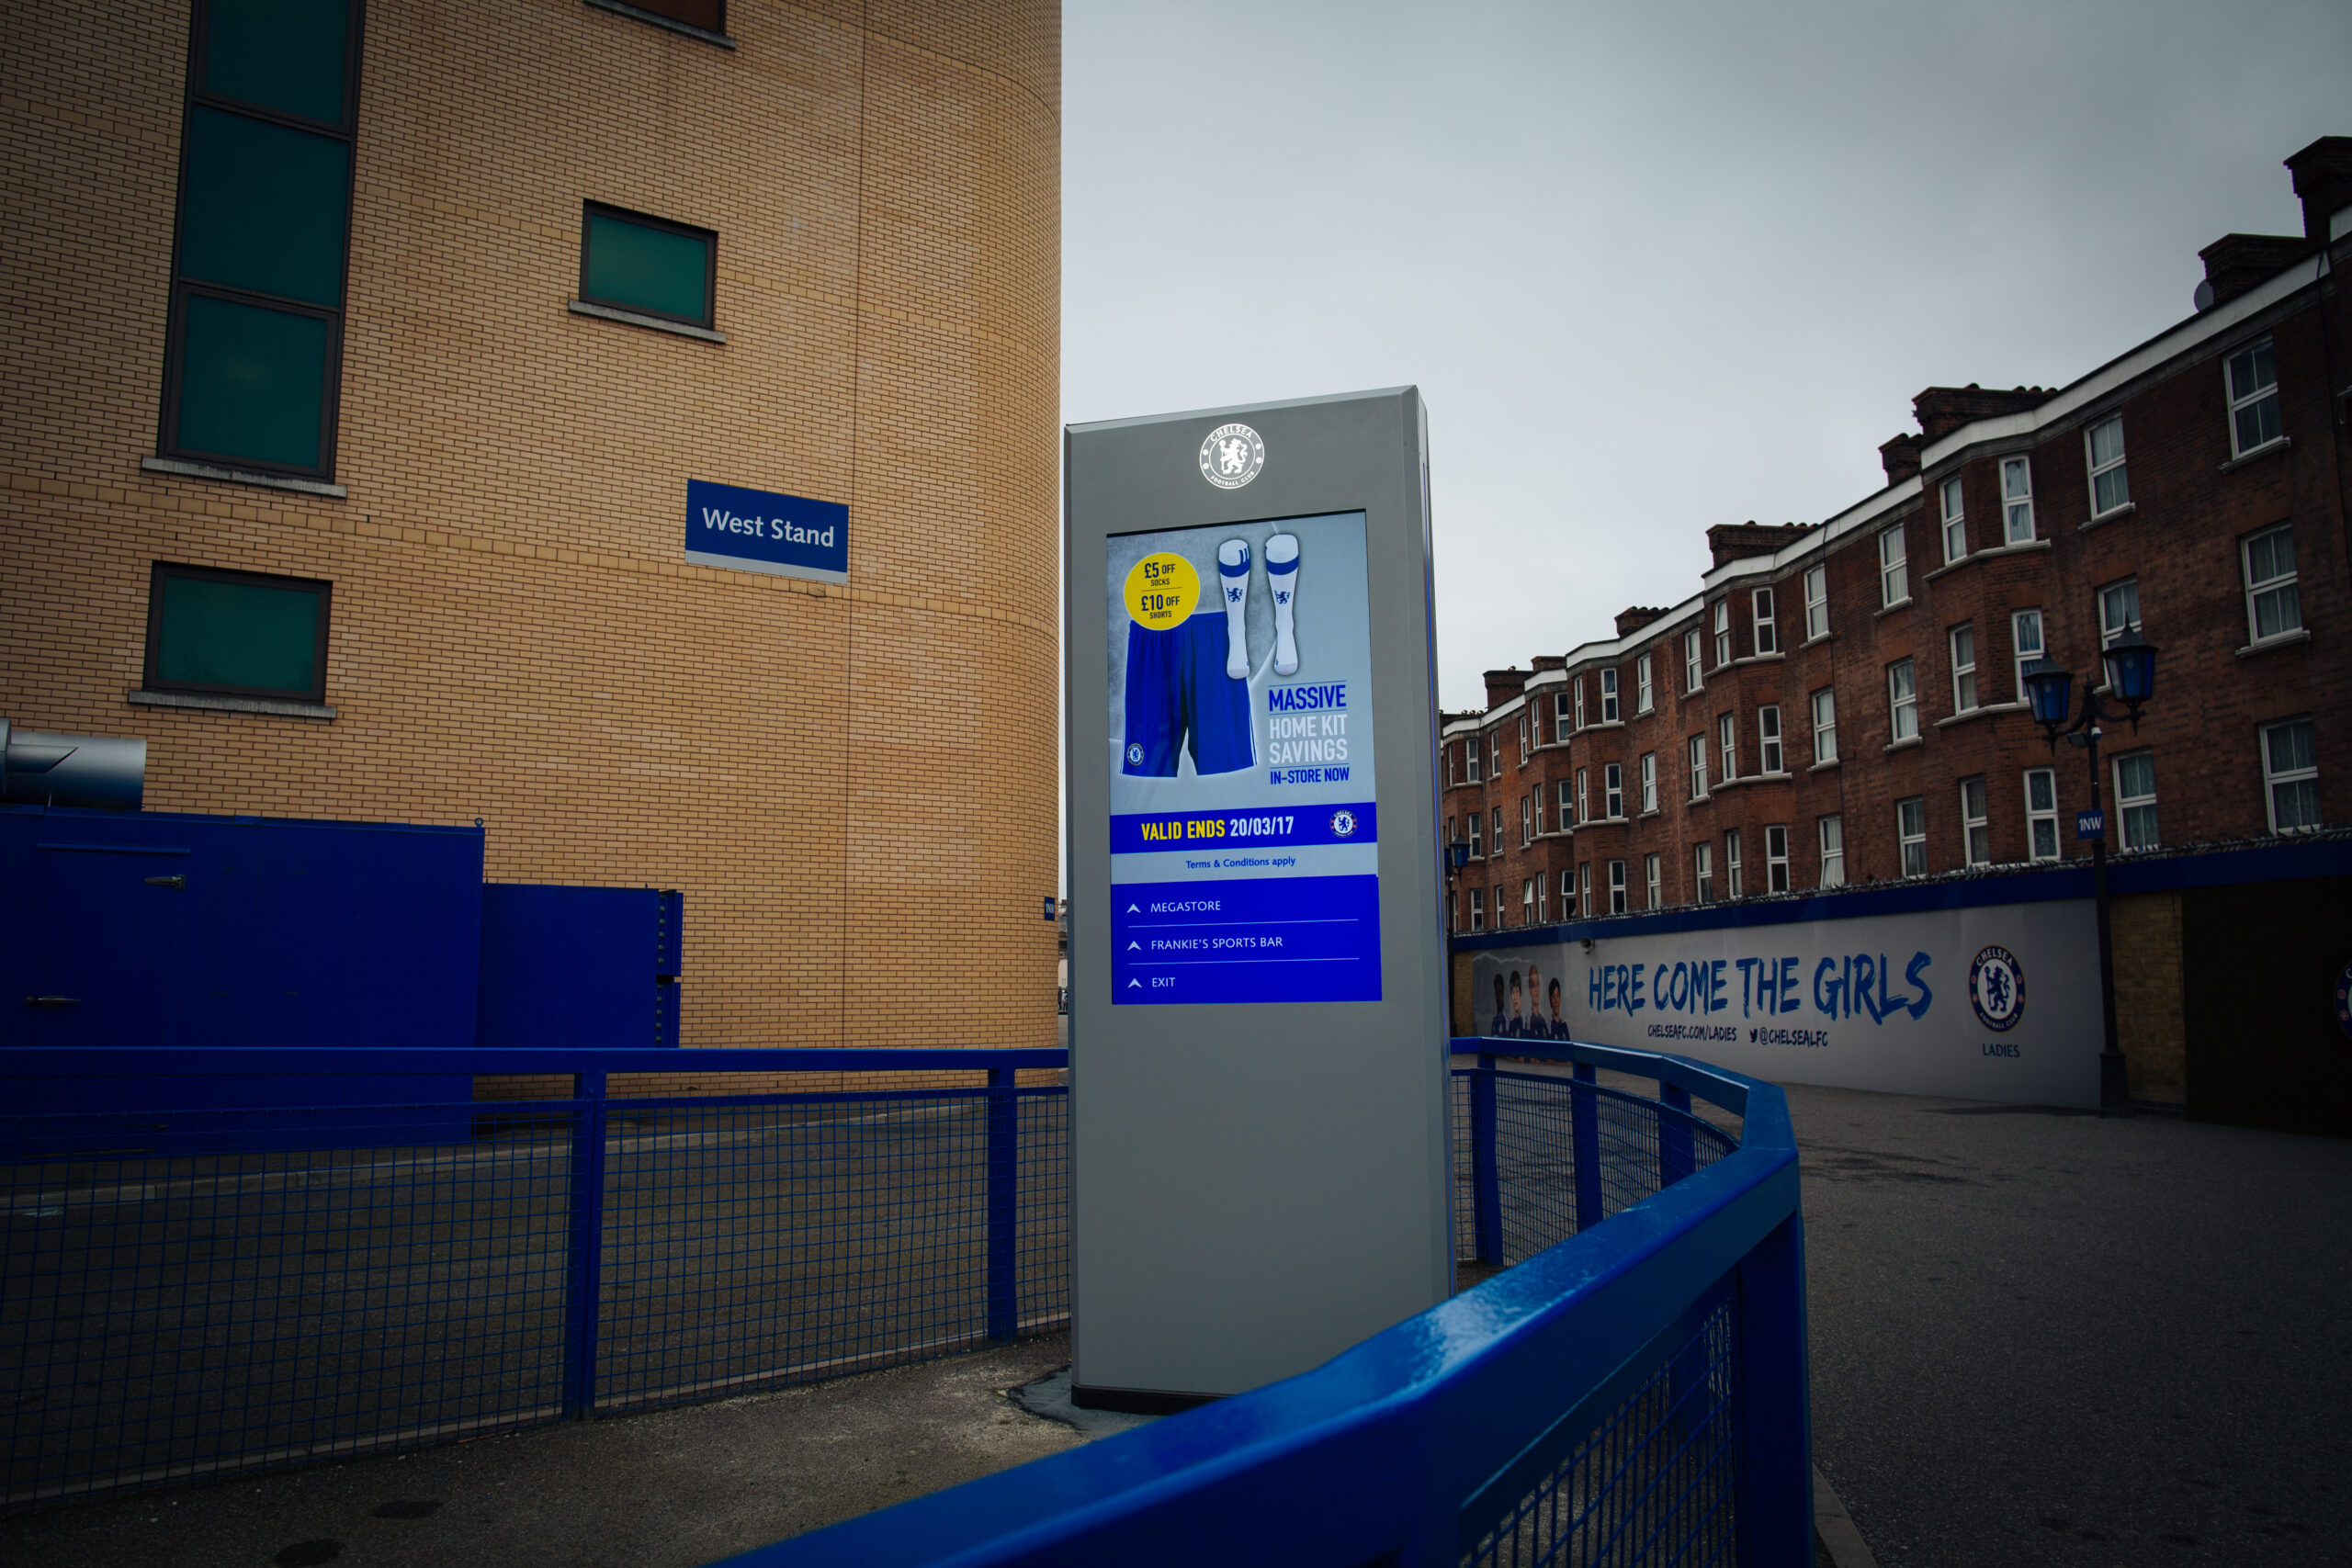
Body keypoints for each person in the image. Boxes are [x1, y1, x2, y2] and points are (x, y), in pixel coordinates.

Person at [1548, 976, 1570, 1040]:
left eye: (1558, 996)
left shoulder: (1564, 1025)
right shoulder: (1549, 1026)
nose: (1556, 1001)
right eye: (1553, 997)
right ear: (1550, 1000)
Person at [1507, 971, 1526, 1037]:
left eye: (1517, 992)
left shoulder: (1525, 1022)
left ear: (1520, 994)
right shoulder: (1511, 1023)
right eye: (1513, 993)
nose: (1515, 997)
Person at [1490, 973, 1509, 1038]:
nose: (1498, 996)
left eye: (1500, 992)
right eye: (1496, 993)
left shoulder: (1505, 1019)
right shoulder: (1494, 1018)